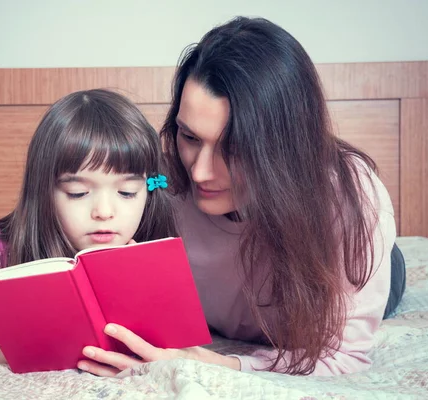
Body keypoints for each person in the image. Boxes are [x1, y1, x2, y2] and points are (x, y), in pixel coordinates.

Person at [77, 16, 406, 376]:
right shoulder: (161, 181)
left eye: (232, 149)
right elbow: (65, 206)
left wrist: (224, 364)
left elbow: (344, 355)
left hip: (362, 266)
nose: (200, 171)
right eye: (189, 138)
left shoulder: (351, 200)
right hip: (232, 309)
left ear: (285, 146)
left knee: (385, 272)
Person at [0, 89, 176, 364]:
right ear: (45, 192)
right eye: (78, 193)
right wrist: (62, 347)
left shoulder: (158, 247)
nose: (104, 213)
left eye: (127, 192)